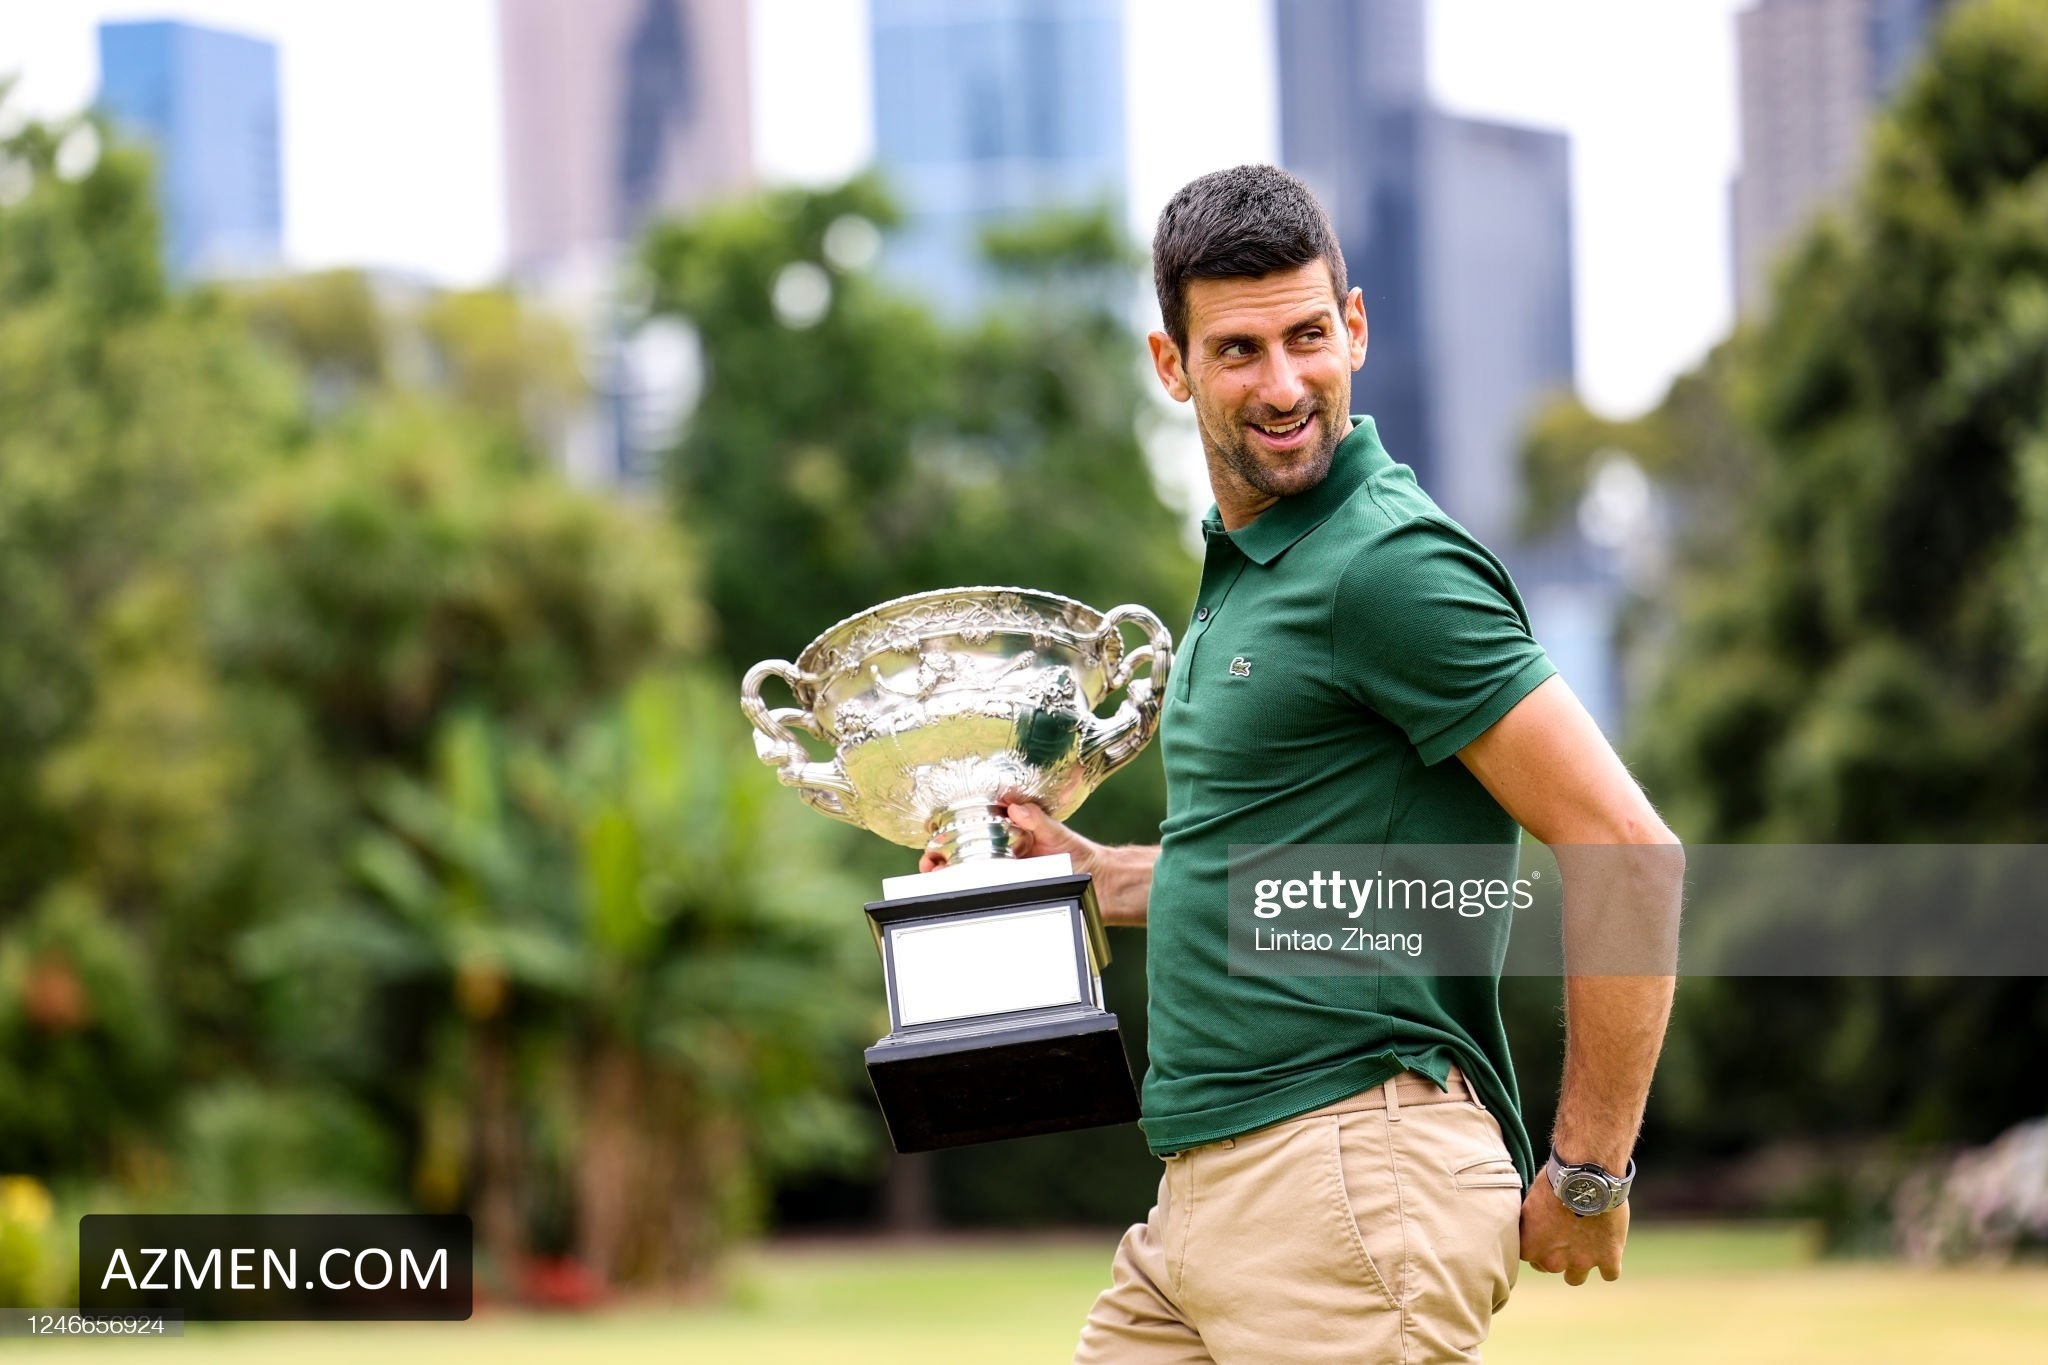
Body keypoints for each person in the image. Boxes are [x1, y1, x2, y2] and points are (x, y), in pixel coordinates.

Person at [923, 165, 1682, 1363]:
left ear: (1355, 329)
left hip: (1348, 1177)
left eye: (1306, 337)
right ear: (1171, 365)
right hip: (1204, 1200)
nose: (1281, 386)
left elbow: (1626, 850)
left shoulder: (1386, 567)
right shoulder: (1257, 572)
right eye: (1237, 351)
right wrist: (1093, 875)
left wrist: (1589, 1170)